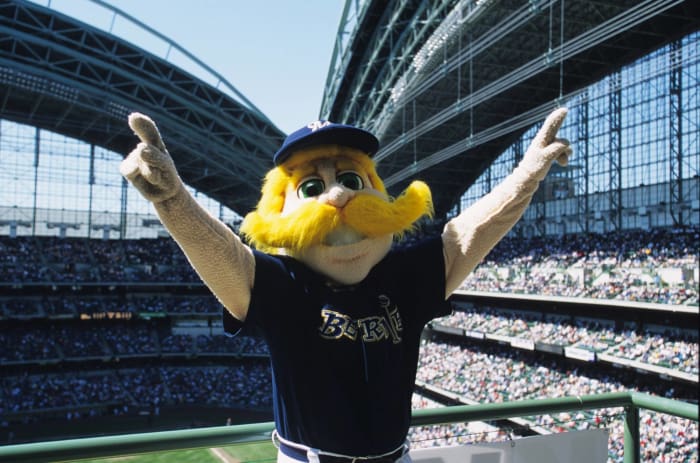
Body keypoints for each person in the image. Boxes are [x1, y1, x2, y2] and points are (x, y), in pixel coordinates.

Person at [120, 108, 571, 463]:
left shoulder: (403, 274)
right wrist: (173, 200)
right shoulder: (280, 281)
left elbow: (466, 235)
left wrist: (524, 178)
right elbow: (222, 255)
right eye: (313, 187)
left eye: (352, 180)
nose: (338, 196)